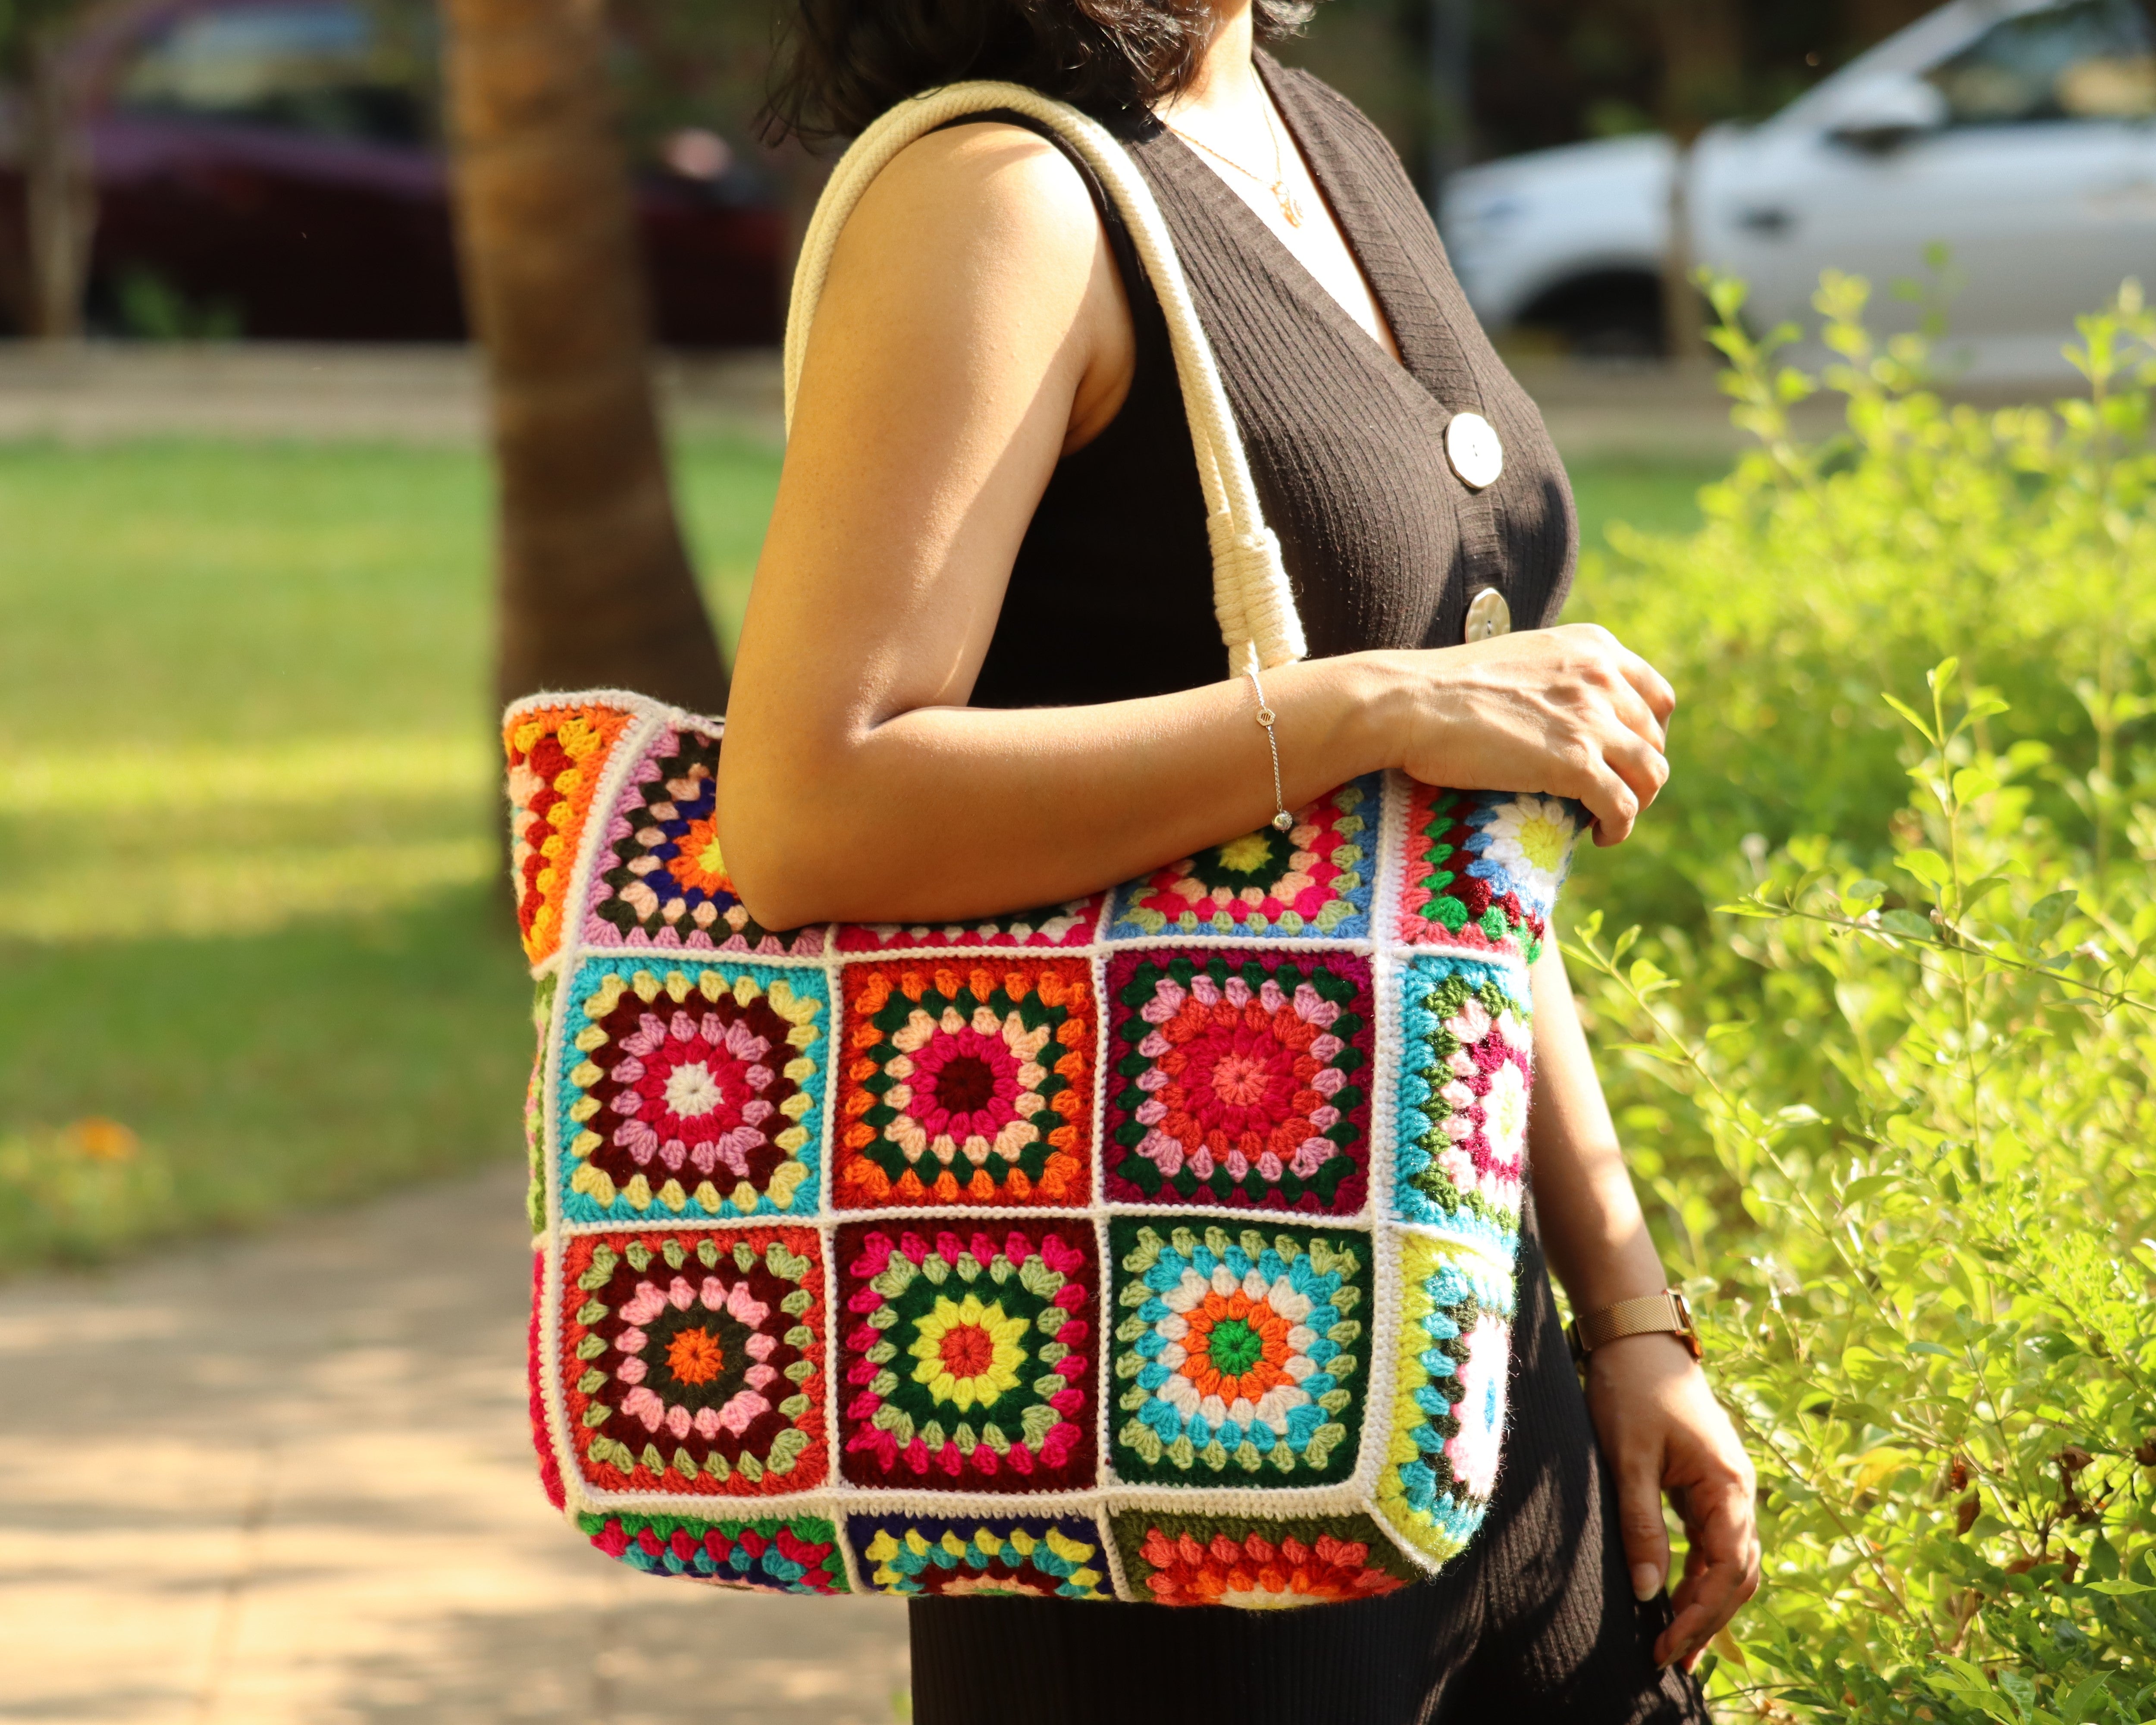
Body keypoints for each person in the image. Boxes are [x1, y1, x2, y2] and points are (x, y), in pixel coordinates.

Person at [721, 1, 1761, 1719]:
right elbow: (808, 806)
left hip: (1467, 1381)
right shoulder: (996, 194)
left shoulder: (1314, 134)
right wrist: (1365, 704)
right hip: (1168, 1419)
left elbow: (1447, 856)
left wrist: (1627, 1316)